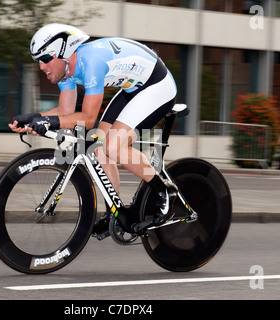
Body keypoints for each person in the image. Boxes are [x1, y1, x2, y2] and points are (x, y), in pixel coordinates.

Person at [9, 23, 178, 235]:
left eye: (45, 59)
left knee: (113, 146)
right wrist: (34, 118)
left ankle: (164, 191)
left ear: (63, 53)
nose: (42, 67)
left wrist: (49, 122)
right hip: (133, 87)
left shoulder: (91, 63)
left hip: (157, 86)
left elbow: (88, 119)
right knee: (99, 148)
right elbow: (65, 110)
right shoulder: (66, 71)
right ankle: (113, 213)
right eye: (38, 61)